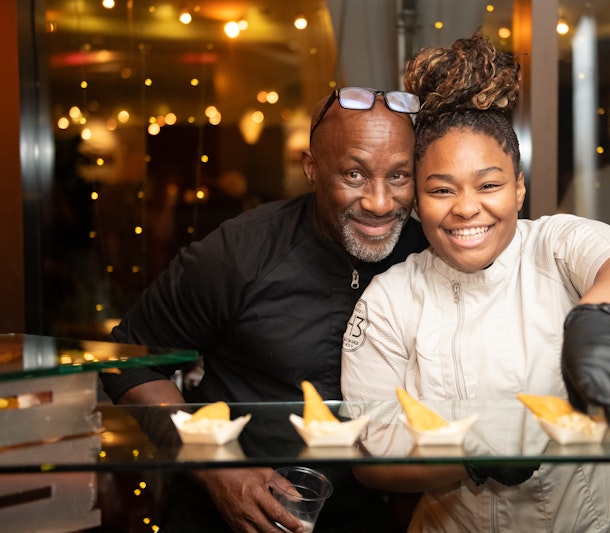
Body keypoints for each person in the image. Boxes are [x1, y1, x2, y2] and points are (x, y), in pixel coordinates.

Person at [340, 33, 610, 532]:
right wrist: (472, 458)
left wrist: (598, 318)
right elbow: (371, 462)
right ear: (418, 201)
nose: (466, 208)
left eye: (489, 185)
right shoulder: (391, 299)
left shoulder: (555, 244)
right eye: (441, 190)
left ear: (518, 188)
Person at [100, 86, 428, 533]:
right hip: (224, 521)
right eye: (354, 175)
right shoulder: (241, 252)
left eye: (399, 176)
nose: (380, 202)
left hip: (367, 519)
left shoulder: (429, 256)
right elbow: (129, 360)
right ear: (311, 169)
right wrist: (217, 469)